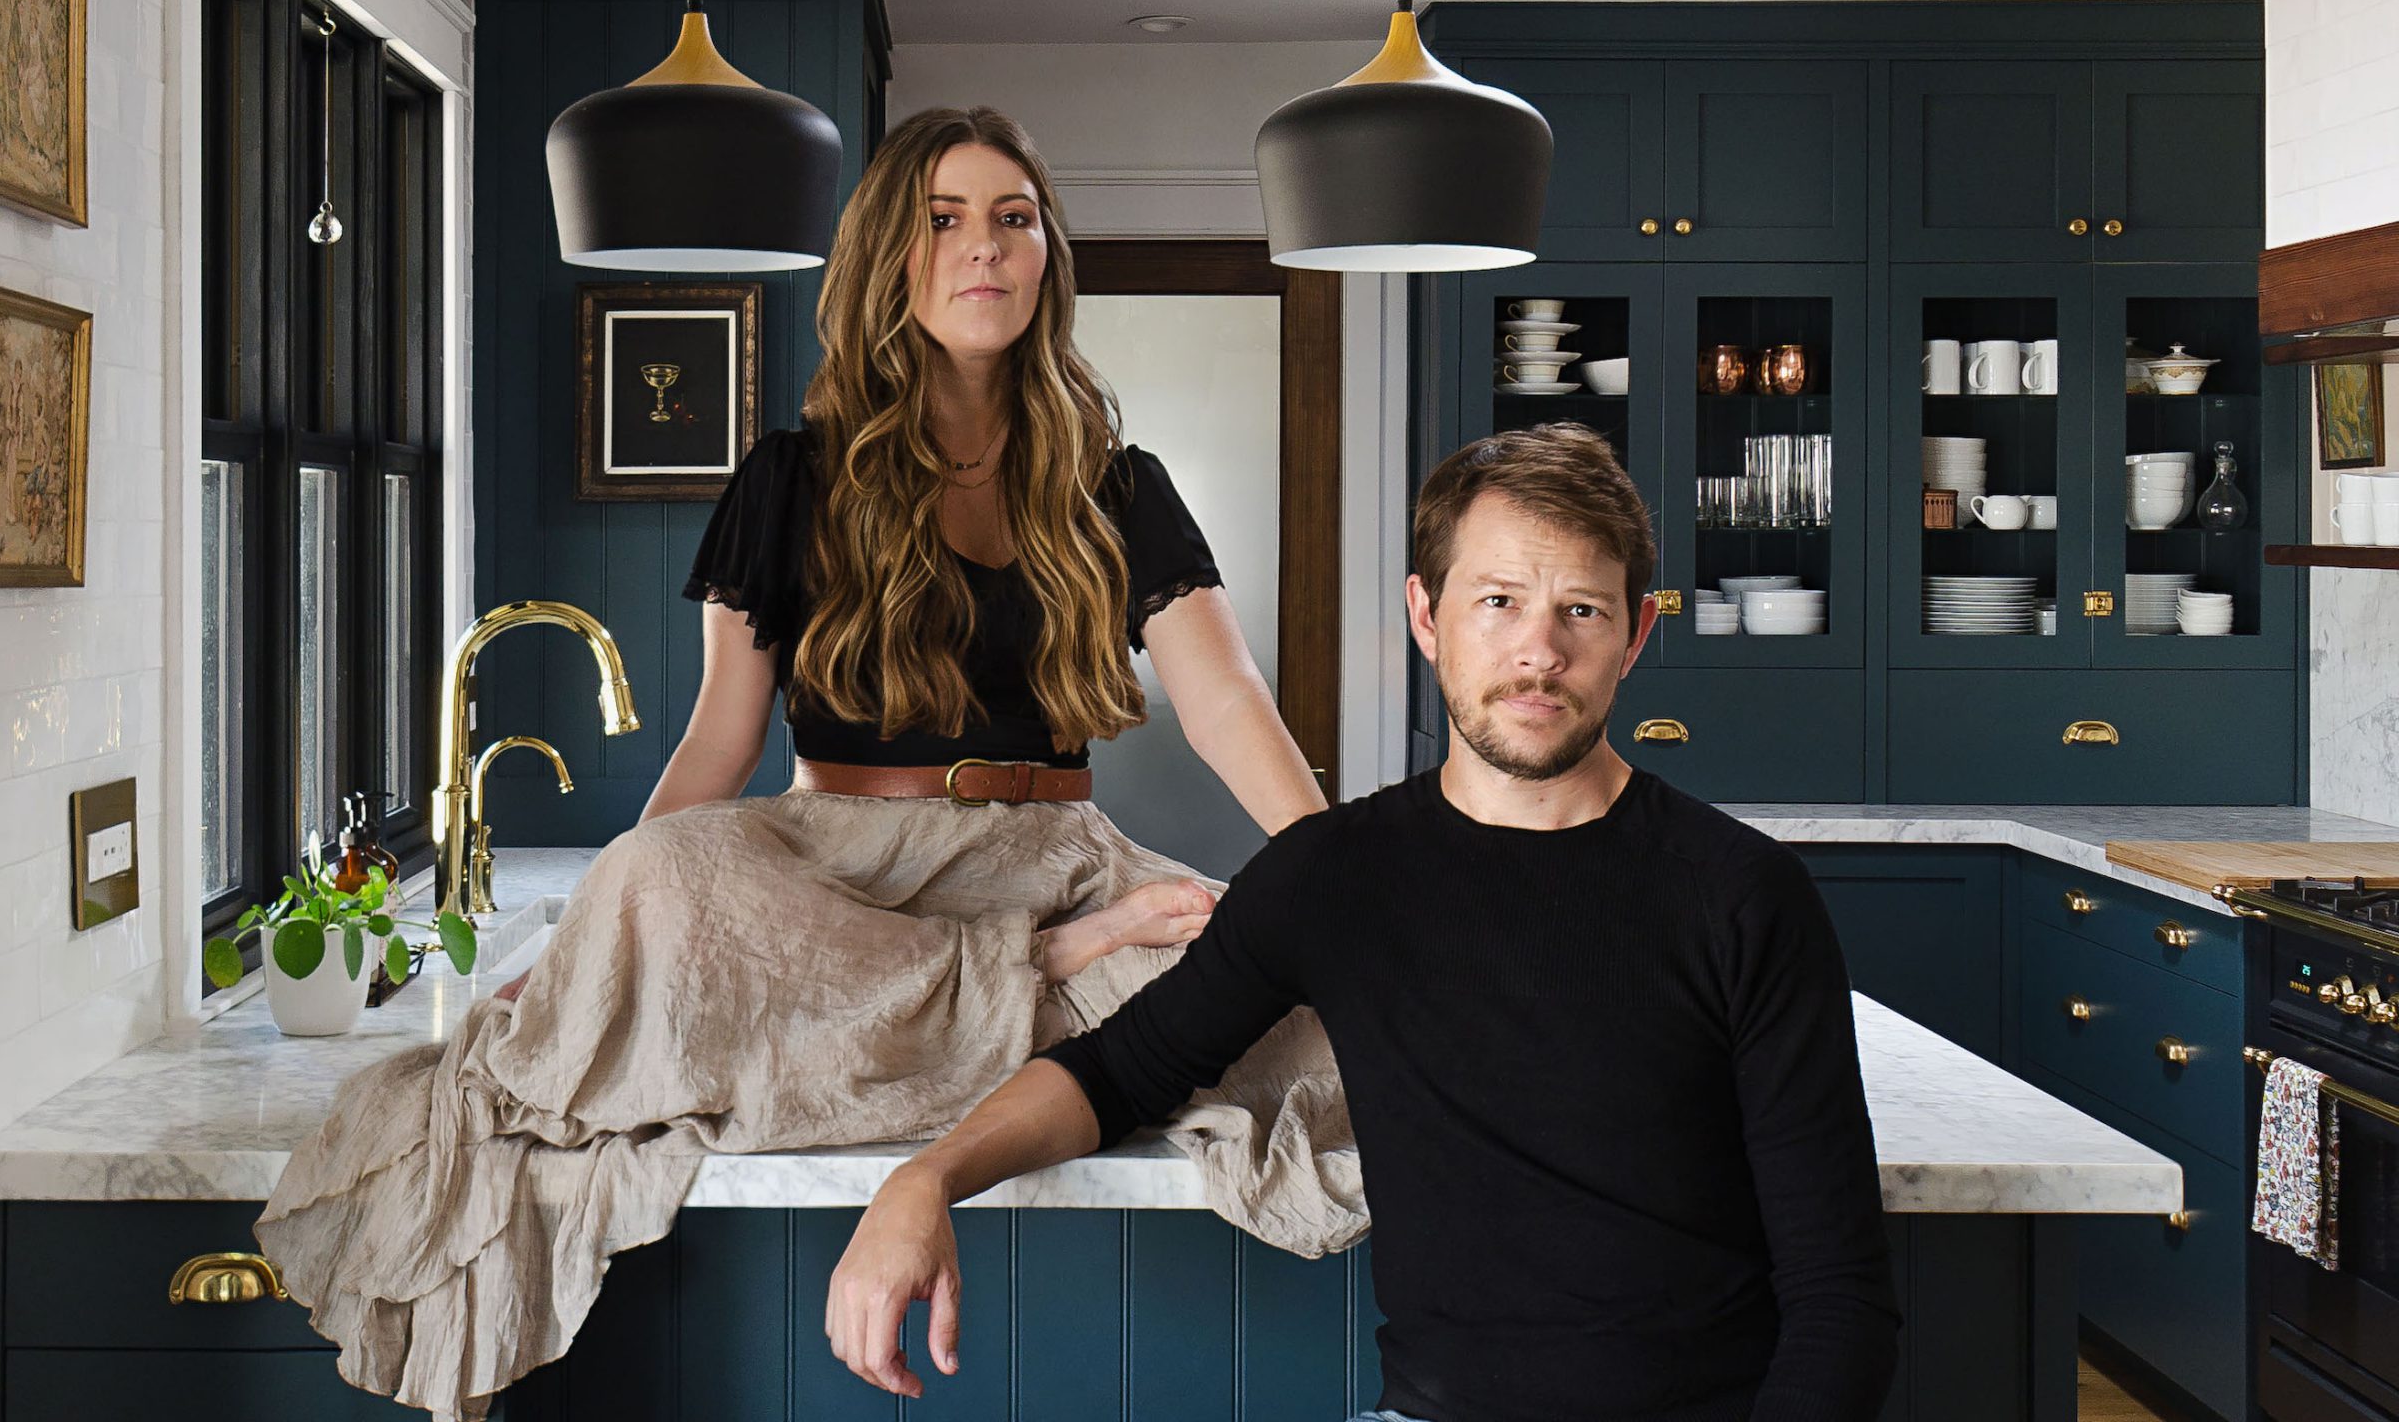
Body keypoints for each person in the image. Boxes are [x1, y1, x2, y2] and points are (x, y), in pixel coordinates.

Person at [823, 422, 1901, 1422]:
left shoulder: (1743, 894)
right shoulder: (1337, 876)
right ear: (1426, 616)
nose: (1539, 652)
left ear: (1635, 635)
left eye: (1581, 609)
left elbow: (1841, 1297)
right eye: (1498, 602)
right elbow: (1117, 1072)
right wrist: (924, 1180)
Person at [495, 102, 1327, 1007]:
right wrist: (593, 931)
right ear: (886, 255)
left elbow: (1228, 703)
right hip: (849, 882)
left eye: (1013, 218)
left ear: (1046, 258)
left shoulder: (1120, 488)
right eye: (942, 219)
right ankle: (1037, 962)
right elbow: (718, 742)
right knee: (659, 876)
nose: (985, 247)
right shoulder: (790, 480)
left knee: (1290, 1004)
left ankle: (1045, 951)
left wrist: (1342, 865)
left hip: (1060, 865)